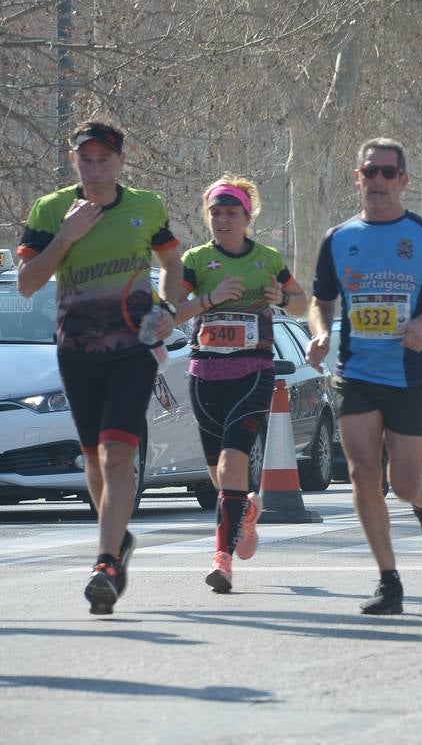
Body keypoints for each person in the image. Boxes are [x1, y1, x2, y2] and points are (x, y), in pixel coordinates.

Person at [15, 120, 182, 614]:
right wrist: (65, 236)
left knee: (114, 454)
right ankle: (118, 540)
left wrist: (169, 310)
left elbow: (172, 265)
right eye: (85, 160)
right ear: (73, 161)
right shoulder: (50, 210)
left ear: (120, 161)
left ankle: (106, 562)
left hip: (132, 349)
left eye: (103, 159)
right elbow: (27, 284)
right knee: (92, 458)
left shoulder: (145, 206)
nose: (94, 169)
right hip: (76, 350)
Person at [306, 138, 422, 614]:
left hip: (412, 374)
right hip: (356, 372)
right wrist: (319, 334)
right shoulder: (338, 238)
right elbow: (322, 301)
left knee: (402, 482)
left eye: (387, 172)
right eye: (369, 172)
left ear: (402, 180)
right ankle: (388, 579)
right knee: (362, 474)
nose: (377, 181)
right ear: (358, 178)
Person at [176, 176, 308, 593]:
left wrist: (281, 298)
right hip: (205, 376)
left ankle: (223, 559)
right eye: (215, 212)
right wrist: (209, 301)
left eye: (231, 212)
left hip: (252, 375)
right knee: (220, 474)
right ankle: (245, 511)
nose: (222, 219)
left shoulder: (267, 258)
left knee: (234, 465)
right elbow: (174, 313)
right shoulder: (196, 260)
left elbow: (303, 302)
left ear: (247, 217)